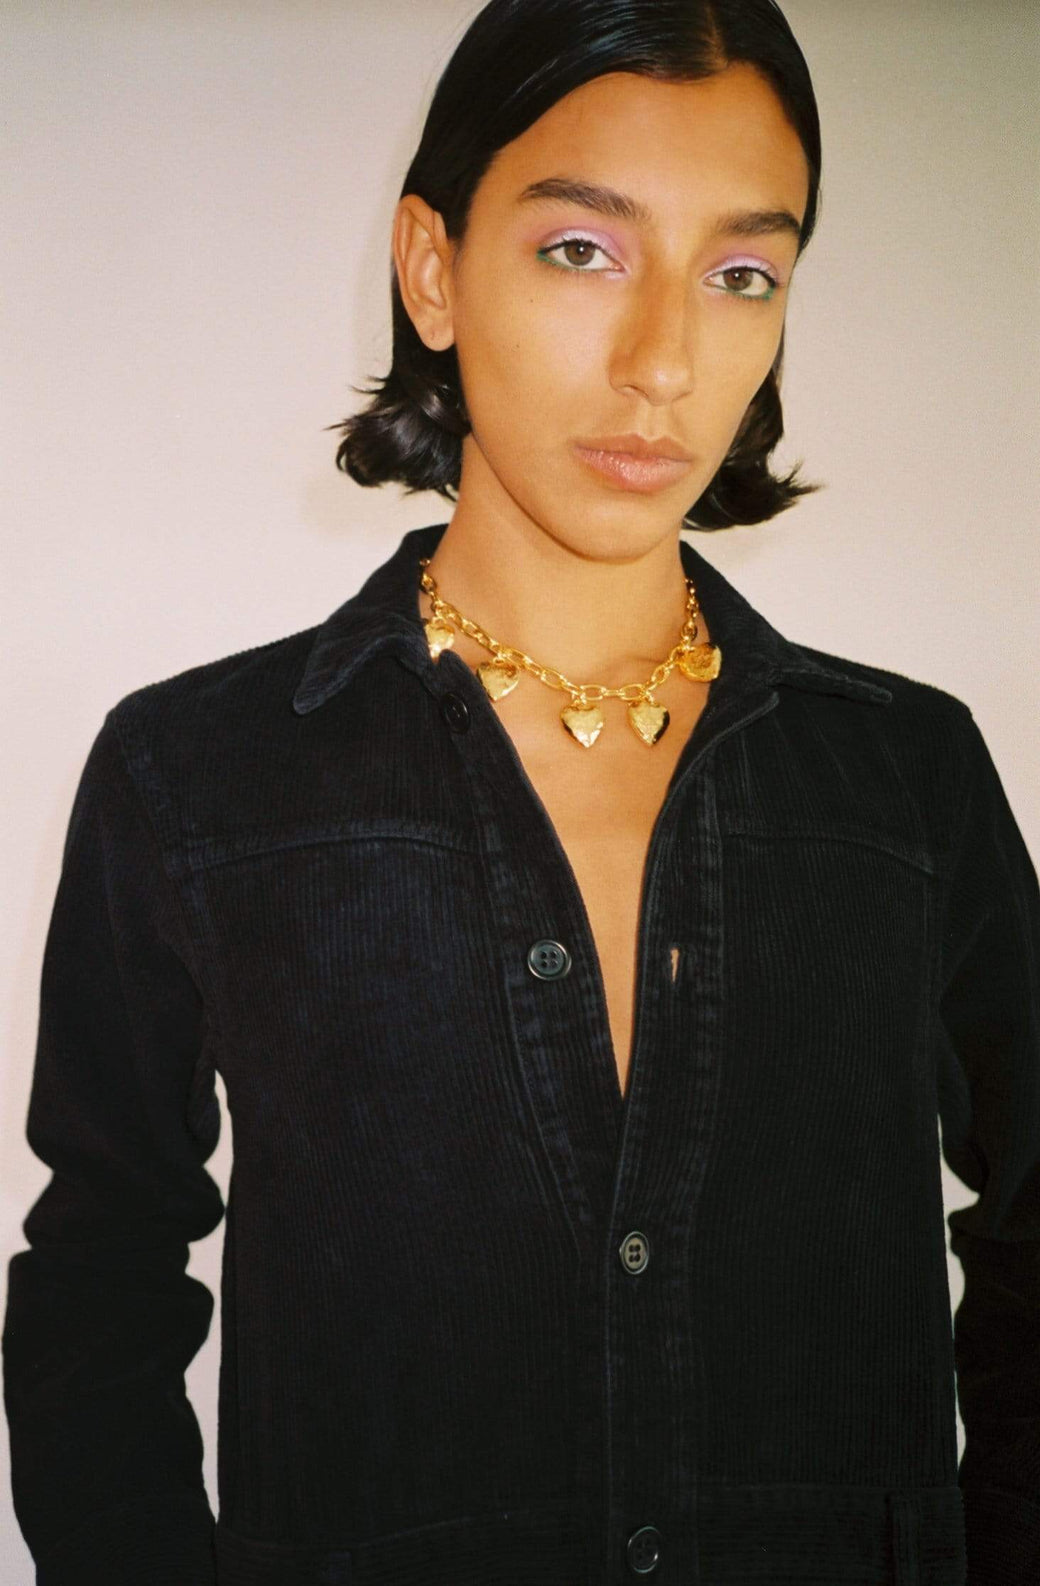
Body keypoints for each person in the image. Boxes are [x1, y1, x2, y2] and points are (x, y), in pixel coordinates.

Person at [3, 0, 1038, 1581]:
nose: (664, 361)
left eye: (743, 273)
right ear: (433, 267)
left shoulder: (912, 783)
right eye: (582, 250)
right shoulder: (195, 780)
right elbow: (101, 1281)